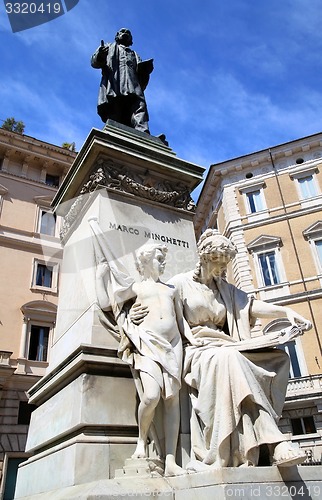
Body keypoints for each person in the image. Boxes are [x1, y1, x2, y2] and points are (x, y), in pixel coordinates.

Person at [131, 229, 312, 470]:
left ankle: (267, 440)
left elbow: (249, 305)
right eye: (217, 263)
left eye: (224, 264)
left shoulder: (223, 289)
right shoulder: (180, 284)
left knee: (275, 358)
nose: (221, 269)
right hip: (194, 349)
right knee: (230, 358)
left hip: (224, 347)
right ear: (204, 258)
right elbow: (157, 308)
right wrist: (133, 315)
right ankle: (274, 442)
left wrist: (286, 312)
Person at [91, 28, 153, 133]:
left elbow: (142, 73)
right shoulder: (109, 47)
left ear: (131, 40)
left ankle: (143, 131)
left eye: (128, 33)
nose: (125, 34)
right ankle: (115, 129)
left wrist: (145, 69)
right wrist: (100, 54)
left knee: (139, 104)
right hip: (115, 81)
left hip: (133, 83)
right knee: (116, 104)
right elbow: (95, 62)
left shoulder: (135, 54)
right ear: (117, 36)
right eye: (122, 32)